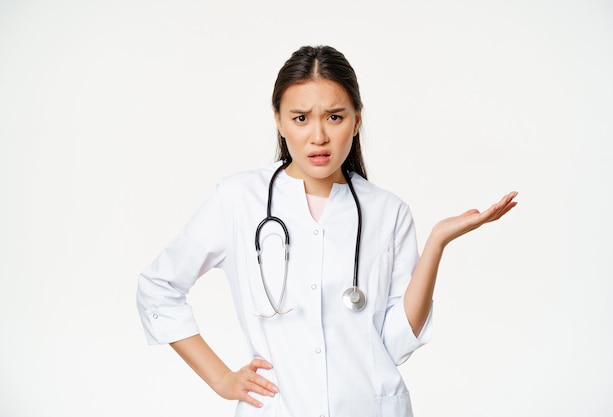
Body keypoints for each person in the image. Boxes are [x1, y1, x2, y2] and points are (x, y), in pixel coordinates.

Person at [136, 45, 517, 417]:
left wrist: (436, 242)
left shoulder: (387, 211)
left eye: (334, 117)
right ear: (279, 120)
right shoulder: (238, 199)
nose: (318, 136)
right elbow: (158, 287)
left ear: (357, 119)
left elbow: (396, 344)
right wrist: (220, 379)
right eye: (301, 118)